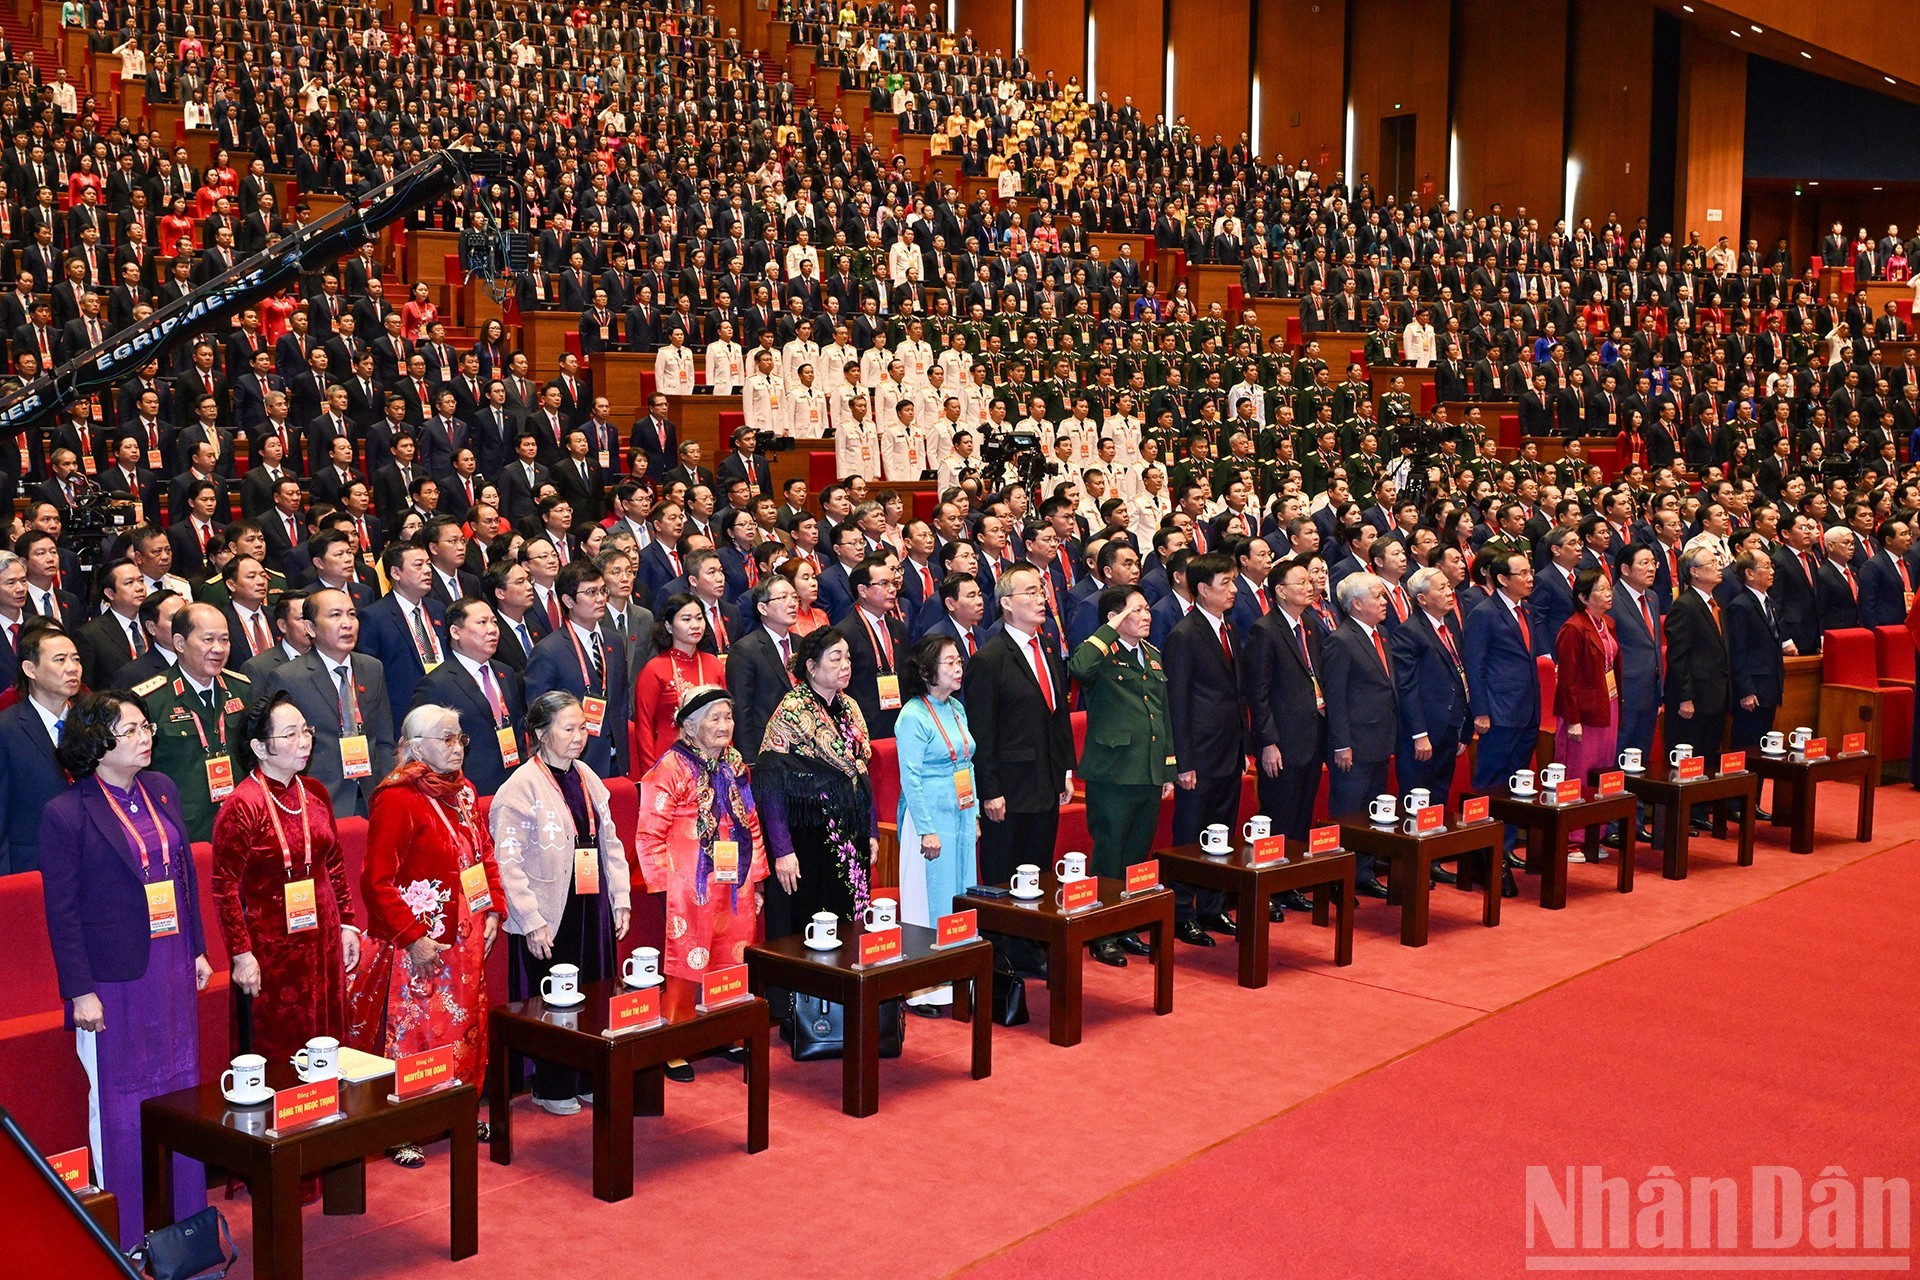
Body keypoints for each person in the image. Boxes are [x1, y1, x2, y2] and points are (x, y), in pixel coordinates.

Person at [40, 692, 212, 1247]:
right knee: (119, 1101)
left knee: (182, 1089)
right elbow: (61, 913)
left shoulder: (159, 789)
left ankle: (187, 1225)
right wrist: (79, 992)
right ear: (98, 743)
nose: (147, 736)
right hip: (114, 979)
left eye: (146, 726)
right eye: (133, 728)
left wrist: (198, 950)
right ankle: (128, 1235)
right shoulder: (66, 812)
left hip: (171, 963)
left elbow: (183, 877)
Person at [346, 704, 503, 1168]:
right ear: (415, 748)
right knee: (415, 1033)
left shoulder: (466, 792)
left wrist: (494, 906)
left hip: (468, 931)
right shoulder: (397, 798)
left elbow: (485, 854)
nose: (457, 749)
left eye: (460, 740)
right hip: (419, 941)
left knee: (466, 1027)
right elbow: (376, 880)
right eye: (446, 740)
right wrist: (412, 936)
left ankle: (458, 1108)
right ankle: (405, 1126)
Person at [491, 691, 632, 1113]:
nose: (578, 736)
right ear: (539, 733)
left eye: (582, 728)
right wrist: (530, 920)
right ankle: (551, 1085)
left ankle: (589, 1075)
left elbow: (610, 840)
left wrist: (621, 897)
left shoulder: (587, 774)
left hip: (591, 901)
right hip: (549, 908)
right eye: (567, 728)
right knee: (554, 995)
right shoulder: (520, 786)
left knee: (593, 989)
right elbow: (507, 859)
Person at [210, 691, 359, 1067]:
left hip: (322, 936)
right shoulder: (243, 804)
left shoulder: (315, 793)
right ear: (260, 747)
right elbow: (224, 887)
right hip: (272, 948)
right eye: (290, 734)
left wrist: (349, 925)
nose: (304, 741)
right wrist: (241, 954)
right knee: (278, 1046)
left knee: (327, 1042)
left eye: (305, 731)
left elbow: (335, 864)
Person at [634, 685, 767, 1076]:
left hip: (735, 875)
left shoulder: (735, 763)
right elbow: (648, 833)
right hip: (688, 880)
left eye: (728, 717)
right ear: (689, 727)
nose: (725, 725)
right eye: (715, 718)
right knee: (687, 958)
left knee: (734, 949)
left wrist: (757, 878)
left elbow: (752, 822)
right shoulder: (669, 768)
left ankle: (724, 1029)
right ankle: (675, 1041)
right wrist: (664, 887)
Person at [753, 628, 878, 978]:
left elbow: (860, 771)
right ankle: (808, 1012)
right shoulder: (791, 712)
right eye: (835, 658)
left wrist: (871, 831)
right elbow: (771, 786)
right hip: (807, 839)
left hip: (850, 833)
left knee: (850, 916)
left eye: (848, 657)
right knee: (811, 923)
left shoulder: (850, 708)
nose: (845, 665)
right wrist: (782, 850)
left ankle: (849, 996)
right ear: (811, 666)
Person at [1068, 586, 1175, 966]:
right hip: (1113, 774)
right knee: (1109, 855)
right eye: (1137, 610)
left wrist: (1167, 768)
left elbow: (1162, 715)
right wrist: (1109, 628)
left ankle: (1125, 925)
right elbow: (1079, 667)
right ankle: (1101, 933)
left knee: (1135, 856)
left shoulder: (1153, 656)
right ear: (1115, 617)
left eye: (1147, 609)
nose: (1147, 616)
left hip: (1147, 770)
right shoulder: (1101, 654)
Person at [961, 562, 1076, 893]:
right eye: (1031, 592)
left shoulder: (1049, 648)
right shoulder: (989, 658)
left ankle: (1034, 939)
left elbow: (1059, 715)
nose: (1041, 598)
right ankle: (1005, 944)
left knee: (1038, 871)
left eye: (1041, 591)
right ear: (1006, 603)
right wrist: (990, 790)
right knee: (1005, 872)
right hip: (1010, 788)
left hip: (1047, 780)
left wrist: (1065, 771)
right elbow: (981, 732)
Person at [893, 634, 979, 1005]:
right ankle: (923, 986)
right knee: (928, 895)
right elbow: (909, 778)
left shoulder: (956, 708)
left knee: (961, 889)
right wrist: (927, 830)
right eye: (949, 663)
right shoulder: (912, 715)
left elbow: (968, 764)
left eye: (959, 661)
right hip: (928, 815)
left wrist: (973, 814)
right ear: (927, 671)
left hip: (959, 811)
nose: (958, 668)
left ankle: (958, 973)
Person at [1162, 552, 1242, 941]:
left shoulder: (1230, 629)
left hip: (1228, 749)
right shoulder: (1183, 635)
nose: (1233, 589)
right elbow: (1178, 702)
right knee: (1191, 833)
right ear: (1201, 589)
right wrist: (1183, 761)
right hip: (1199, 753)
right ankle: (1181, 912)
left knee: (1222, 830)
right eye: (1225, 583)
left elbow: (1234, 695)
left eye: (1233, 581)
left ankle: (1212, 907)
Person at [262, 587, 398, 818]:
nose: (347, 623)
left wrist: (387, 788)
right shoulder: (288, 677)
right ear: (310, 628)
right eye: (335, 615)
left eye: (352, 615)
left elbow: (384, 739)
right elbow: (281, 751)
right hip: (321, 800)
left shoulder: (372, 668)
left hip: (373, 796)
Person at [1244, 556, 1327, 906]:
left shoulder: (1309, 623)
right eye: (1301, 582)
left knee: (1301, 814)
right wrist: (1268, 741)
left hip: (1313, 732)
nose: (1309, 587)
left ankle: (1290, 882)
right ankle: (1269, 891)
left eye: (1310, 581)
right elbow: (1258, 692)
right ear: (1279, 591)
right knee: (1278, 814)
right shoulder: (1265, 629)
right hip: (1282, 739)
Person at [137, 601, 251, 841]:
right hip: (181, 828)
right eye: (208, 640)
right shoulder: (151, 699)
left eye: (224, 640)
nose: (219, 649)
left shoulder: (242, 689)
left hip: (239, 823)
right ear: (180, 643)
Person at [1464, 549, 1535, 895]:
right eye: (1522, 573)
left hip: (1526, 710)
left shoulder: (1527, 611)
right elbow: (1475, 666)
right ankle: (1483, 856)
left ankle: (1504, 848)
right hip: (1498, 711)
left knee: (1512, 787)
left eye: (1530, 571)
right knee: (1490, 783)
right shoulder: (1483, 614)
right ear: (1502, 579)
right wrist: (1480, 711)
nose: (1530, 578)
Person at [1324, 572, 1399, 892]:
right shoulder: (1341, 640)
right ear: (1356, 604)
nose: (1384, 602)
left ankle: (1364, 873)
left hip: (1381, 739)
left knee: (1372, 809)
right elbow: (1336, 697)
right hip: (1354, 743)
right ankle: (1340, 878)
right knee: (1349, 811)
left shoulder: (1381, 633)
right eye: (1377, 597)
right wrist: (1342, 744)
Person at [524, 560, 633, 780]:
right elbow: (539, 715)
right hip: (573, 763)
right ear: (568, 600)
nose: (601, 598)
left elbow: (620, 700)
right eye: (591, 592)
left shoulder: (613, 641)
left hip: (615, 759)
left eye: (603, 590)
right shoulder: (548, 650)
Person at [411, 597, 528, 796]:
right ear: (455, 632)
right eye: (482, 622)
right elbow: (427, 747)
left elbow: (517, 727)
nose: (492, 629)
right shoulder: (436, 684)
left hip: (515, 783)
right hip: (468, 789)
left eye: (494, 622)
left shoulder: (506, 673)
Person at [0, 620, 81, 875]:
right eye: (60, 660)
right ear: (30, 669)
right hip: (32, 866)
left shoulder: (93, 722)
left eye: (76, 659)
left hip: (92, 861)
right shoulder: (7, 728)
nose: (72, 668)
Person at [1552, 569, 1622, 856]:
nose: (1608, 594)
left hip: (1609, 705)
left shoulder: (1608, 623)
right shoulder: (1573, 628)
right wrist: (1573, 719)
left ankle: (1596, 833)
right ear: (1583, 597)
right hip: (1582, 712)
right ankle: (1571, 838)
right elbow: (1566, 680)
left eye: (1609, 588)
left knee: (1602, 770)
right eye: (1601, 590)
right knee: (1577, 772)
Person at [1665, 544, 1733, 828]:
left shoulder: (1714, 603)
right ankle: (1685, 813)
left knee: (1706, 753)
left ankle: (1700, 807)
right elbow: (1679, 656)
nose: (1719, 566)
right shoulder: (1685, 605)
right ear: (1694, 572)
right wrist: (1685, 697)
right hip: (1694, 697)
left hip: (1716, 694)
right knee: (1688, 754)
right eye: (1711, 563)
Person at [632, 592, 726, 771]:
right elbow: (644, 726)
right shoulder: (654, 669)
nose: (695, 625)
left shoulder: (714, 664)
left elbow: (726, 716)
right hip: (668, 761)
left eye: (699, 618)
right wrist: (651, 771)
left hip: (713, 760)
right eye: (686, 619)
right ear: (668, 626)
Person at [1725, 549, 1787, 796]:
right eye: (1766, 567)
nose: (1772, 572)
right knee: (1744, 746)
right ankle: (1735, 801)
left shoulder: (1767, 601)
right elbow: (1737, 652)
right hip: (1752, 690)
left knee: (1761, 749)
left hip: (1770, 686)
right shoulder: (1740, 605)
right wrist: (1746, 690)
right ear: (1749, 574)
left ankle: (1754, 799)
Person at [726, 575, 801, 767]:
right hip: (767, 751)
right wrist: (750, 761)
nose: (792, 603)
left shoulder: (802, 645)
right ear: (762, 608)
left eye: (794, 597)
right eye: (783, 597)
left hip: (804, 748)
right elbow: (741, 711)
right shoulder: (745, 650)